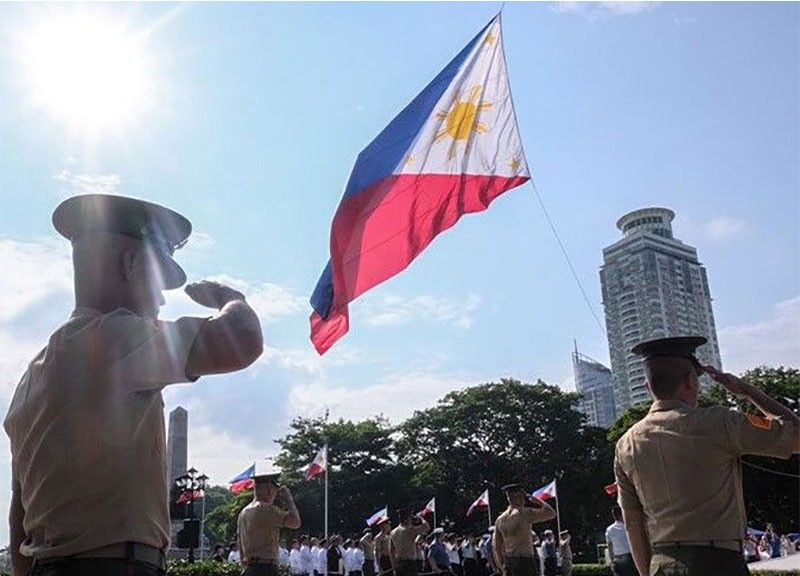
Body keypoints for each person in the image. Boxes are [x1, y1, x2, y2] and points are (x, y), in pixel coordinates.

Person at [4, 194, 264, 576]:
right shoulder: (111, 339)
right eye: (158, 279)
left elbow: (19, 514)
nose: (160, 299)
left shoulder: (33, 376)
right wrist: (232, 298)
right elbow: (242, 340)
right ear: (130, 264)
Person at [614, 336, 800, 576]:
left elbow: (632, 523)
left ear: (648, 387)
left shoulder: (626, 444)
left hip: (660, 565)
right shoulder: (719, 422)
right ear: (691, 381)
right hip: (717, 562)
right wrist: (747, 391)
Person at [238, 460, 302, 576]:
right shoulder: (267, 509)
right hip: (266, 568)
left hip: (249, 568)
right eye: (275, 491)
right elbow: (295, 522)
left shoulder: (243, 512)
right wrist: (289, 499)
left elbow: (240, 546)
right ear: (268, 490)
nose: (275, 495)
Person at [493, 484, 556, 576]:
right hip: (524, 561)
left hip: (509, 562)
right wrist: (537, 500)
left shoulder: (500, 520)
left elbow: (497, 547)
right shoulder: (524, 513)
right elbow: (551, 513)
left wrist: (502, 567)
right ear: (519, 497)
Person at [389, 510, 430, 576]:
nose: (411, 520)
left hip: (398, 562)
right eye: (410, 518)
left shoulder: (393, 532)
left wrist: (394, 566)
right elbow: (426, 527)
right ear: (406, 519)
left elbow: (391, 551)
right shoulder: (409, 530)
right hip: (409, 563)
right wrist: (420, 518)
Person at [605, 506, 637, 576]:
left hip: (618, 558)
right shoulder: (628, 526)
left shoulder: (609, 529)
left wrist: (612, 561)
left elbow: (610, 546)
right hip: (630, 557)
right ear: (621, 515)